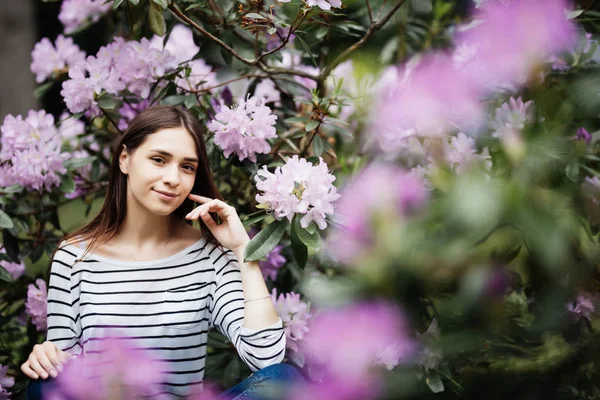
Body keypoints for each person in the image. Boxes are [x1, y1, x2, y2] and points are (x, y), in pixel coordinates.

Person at [21, 105, 303, 399]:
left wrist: (245, 251)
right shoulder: (73, 257)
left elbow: (266, 358)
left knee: (283, 379)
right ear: (125, 159)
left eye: (187, 167)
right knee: (45, 383)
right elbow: (65, 374)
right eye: (159, 160)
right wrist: (47, 357)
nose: (173, 178)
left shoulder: (208, 257)